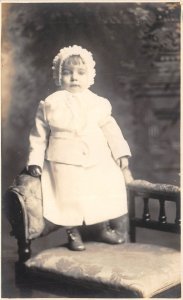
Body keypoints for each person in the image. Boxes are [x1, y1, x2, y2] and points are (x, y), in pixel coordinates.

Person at [26, 45, 132, 251]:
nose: (74, 78)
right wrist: (35, 161)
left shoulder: (99, 103)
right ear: (58, 76)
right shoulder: (49, 104)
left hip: (96, 157)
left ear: (89, 76)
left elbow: (111, 130)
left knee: (101, 188)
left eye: (80, 73)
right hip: (63, 160)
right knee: (69, 195)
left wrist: (121, 153)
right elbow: (38, 137)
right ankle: (72, 231)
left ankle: (101, 227)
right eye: (67, 73)